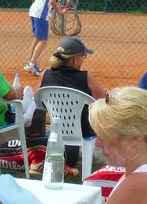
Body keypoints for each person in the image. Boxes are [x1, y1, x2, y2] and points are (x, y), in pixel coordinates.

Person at [40, 36, 106, 173]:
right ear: (75, 58)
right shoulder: (86, 77)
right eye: (83, 55)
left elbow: (40, 103)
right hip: (84, 130)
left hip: (56, 129)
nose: (83, 59)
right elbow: (104, 99)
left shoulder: (45, 74)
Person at [25, 0, 64, 76]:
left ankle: (30, 63)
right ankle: (31, 64)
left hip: (33, 11)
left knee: (37, 39)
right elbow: (51, 1)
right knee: (43, 40)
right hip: (41, 14)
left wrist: (57, 7)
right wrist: (59, 12)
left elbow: (47, 1)